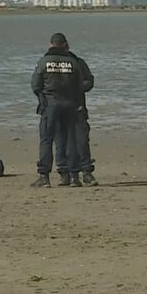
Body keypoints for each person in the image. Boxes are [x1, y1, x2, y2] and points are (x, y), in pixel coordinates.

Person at [30, 33, 90, 188]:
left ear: (50, 45)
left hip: (51, 104)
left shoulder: (44, 62)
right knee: (71, 139)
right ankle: (74, 177)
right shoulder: (73, 62)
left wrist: (44, 98)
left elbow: (35, 85)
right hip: (70, 104)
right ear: (65, 45)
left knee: (47, 140)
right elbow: (80, 85)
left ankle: (44, 176)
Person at [55, 41, 98, 186]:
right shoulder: (51, 64)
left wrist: (75, 89)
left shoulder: (78, 62)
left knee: (81, 140)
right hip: (59, 108)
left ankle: (86, 172)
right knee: (62, 141)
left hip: (77, 107)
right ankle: (65, 174)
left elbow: (89, 82)